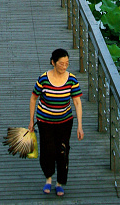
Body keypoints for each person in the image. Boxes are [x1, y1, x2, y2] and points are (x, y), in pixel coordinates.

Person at [29, 49, 83, 197]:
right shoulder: (43, 79)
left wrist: (80, 125)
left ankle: (60, 182)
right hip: (44, 121)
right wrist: (31, 120)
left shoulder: (72, 79)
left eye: (67, 63)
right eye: (61, 63)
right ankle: (48, 178)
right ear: (53, 62)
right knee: (48, 150)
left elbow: (77, 102)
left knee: (63, 151)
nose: (64, 66)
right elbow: (34, 98)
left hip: (65, 121)